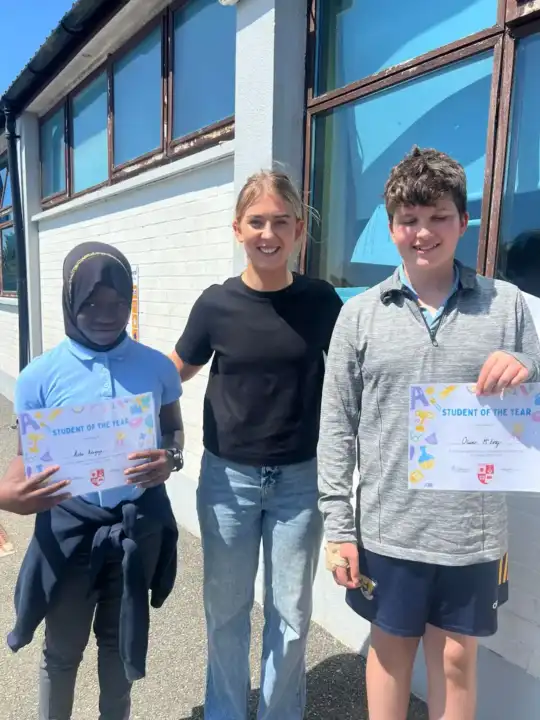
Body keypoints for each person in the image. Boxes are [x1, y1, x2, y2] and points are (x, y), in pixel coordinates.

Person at [318, 147, 540, 720]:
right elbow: (337, 425)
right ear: (391, 227)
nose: (423, 232)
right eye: (409, 219)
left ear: (462, 222)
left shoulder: (506, 305)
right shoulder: (360, 315)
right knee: (390, 657)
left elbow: (534, 385)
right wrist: (339, 527)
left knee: (456, 662)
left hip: (472, 531)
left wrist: (528, 365)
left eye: (439, 216)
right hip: (388, 528)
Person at [170, 170, 343, 720]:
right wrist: (109, 400)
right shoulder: (215, 304)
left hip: (300, 482)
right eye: (257, 221)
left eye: (281, 222)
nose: (269, 234)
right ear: (238, 229)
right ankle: (226, 712)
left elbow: (356, 372)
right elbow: (174, 371)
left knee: (291, 614)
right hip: (228, 482)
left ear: (299, 232)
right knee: (226, 613)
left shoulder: (321, 301)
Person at [6, 241, 185, 720]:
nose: (106, 316)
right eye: (91, 303)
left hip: (137, 527)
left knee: (119, 648)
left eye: (118, 303)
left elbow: (173, 430)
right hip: (69, 531)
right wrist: (7, 495)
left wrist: (170, 459)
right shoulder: (38, 377)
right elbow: (25, 458)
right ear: (70, 302)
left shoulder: (157, 367)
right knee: (62, 652)